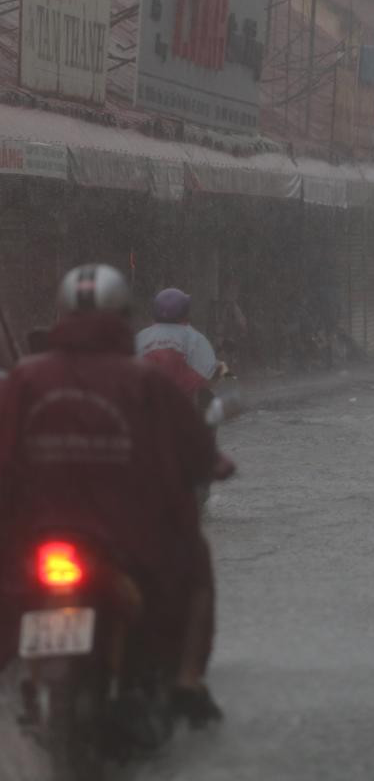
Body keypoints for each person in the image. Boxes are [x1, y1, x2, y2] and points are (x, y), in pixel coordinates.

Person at [0, 265, 224, 724]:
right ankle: (186, 682)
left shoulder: (23, 379)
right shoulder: (146, 383)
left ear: (61, 313)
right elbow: (198, 450)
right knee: (195, 568)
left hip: (34, 533)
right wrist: (213, 465)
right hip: (124, 537)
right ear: (122, 314)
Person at [136, 288, 226, 400]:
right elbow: (210, 373)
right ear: (185, 311)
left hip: (143, 400)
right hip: (180, 402)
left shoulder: (141, 336)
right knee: (220, 371)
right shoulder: (194, 337)